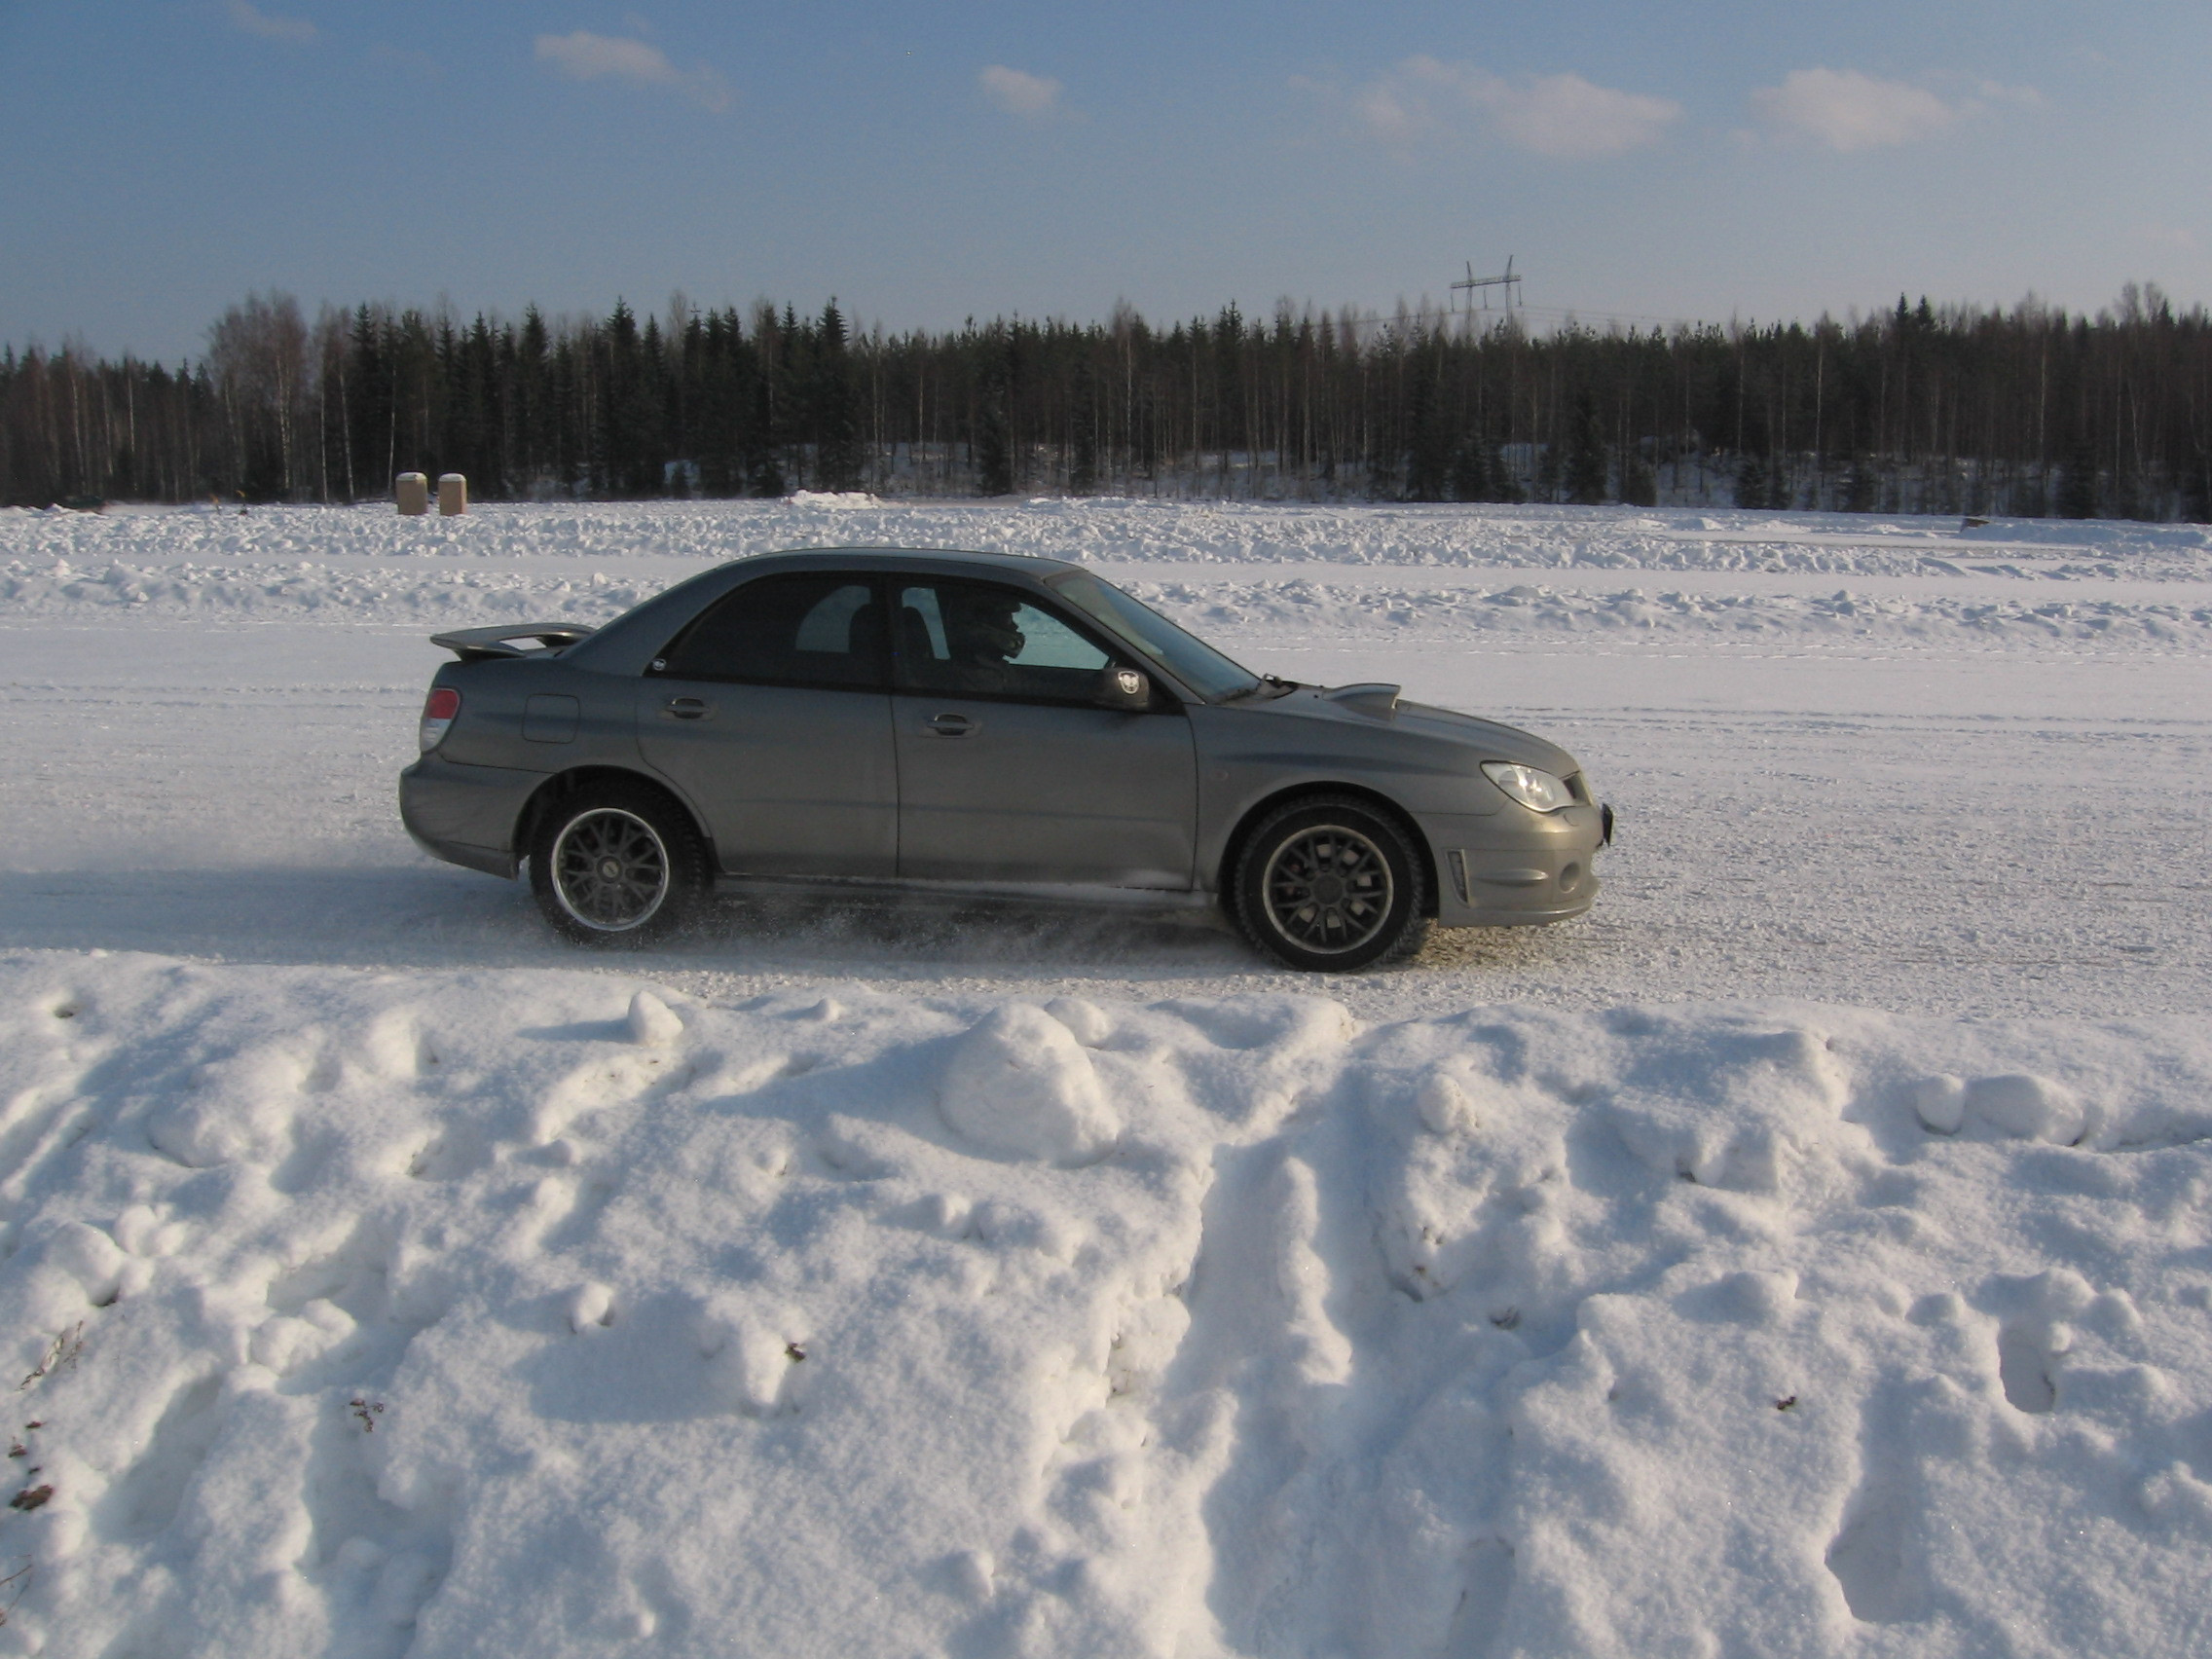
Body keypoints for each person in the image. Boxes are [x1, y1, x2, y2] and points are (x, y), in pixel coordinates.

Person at [940, 588, 1025, 693]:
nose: (1015, 626)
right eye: (1007, 619)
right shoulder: (972, 679)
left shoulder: (996, 668)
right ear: (982, 623)